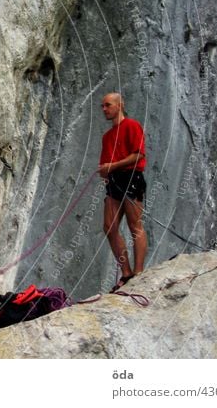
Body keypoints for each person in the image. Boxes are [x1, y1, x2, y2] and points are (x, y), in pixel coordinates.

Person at [96, 92, 147, 292]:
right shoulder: (107, 136)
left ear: (119, 105)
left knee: (135, 225)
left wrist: (112, 166)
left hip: (131, 177)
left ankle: (139, 272)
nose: (104, 109)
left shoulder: (132, 126)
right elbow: (104, 165)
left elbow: (138, 155)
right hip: (114, 181)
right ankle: (126, 273)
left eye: (107, 105)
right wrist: (105, 170)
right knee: (109, 227)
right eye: (103, 106)